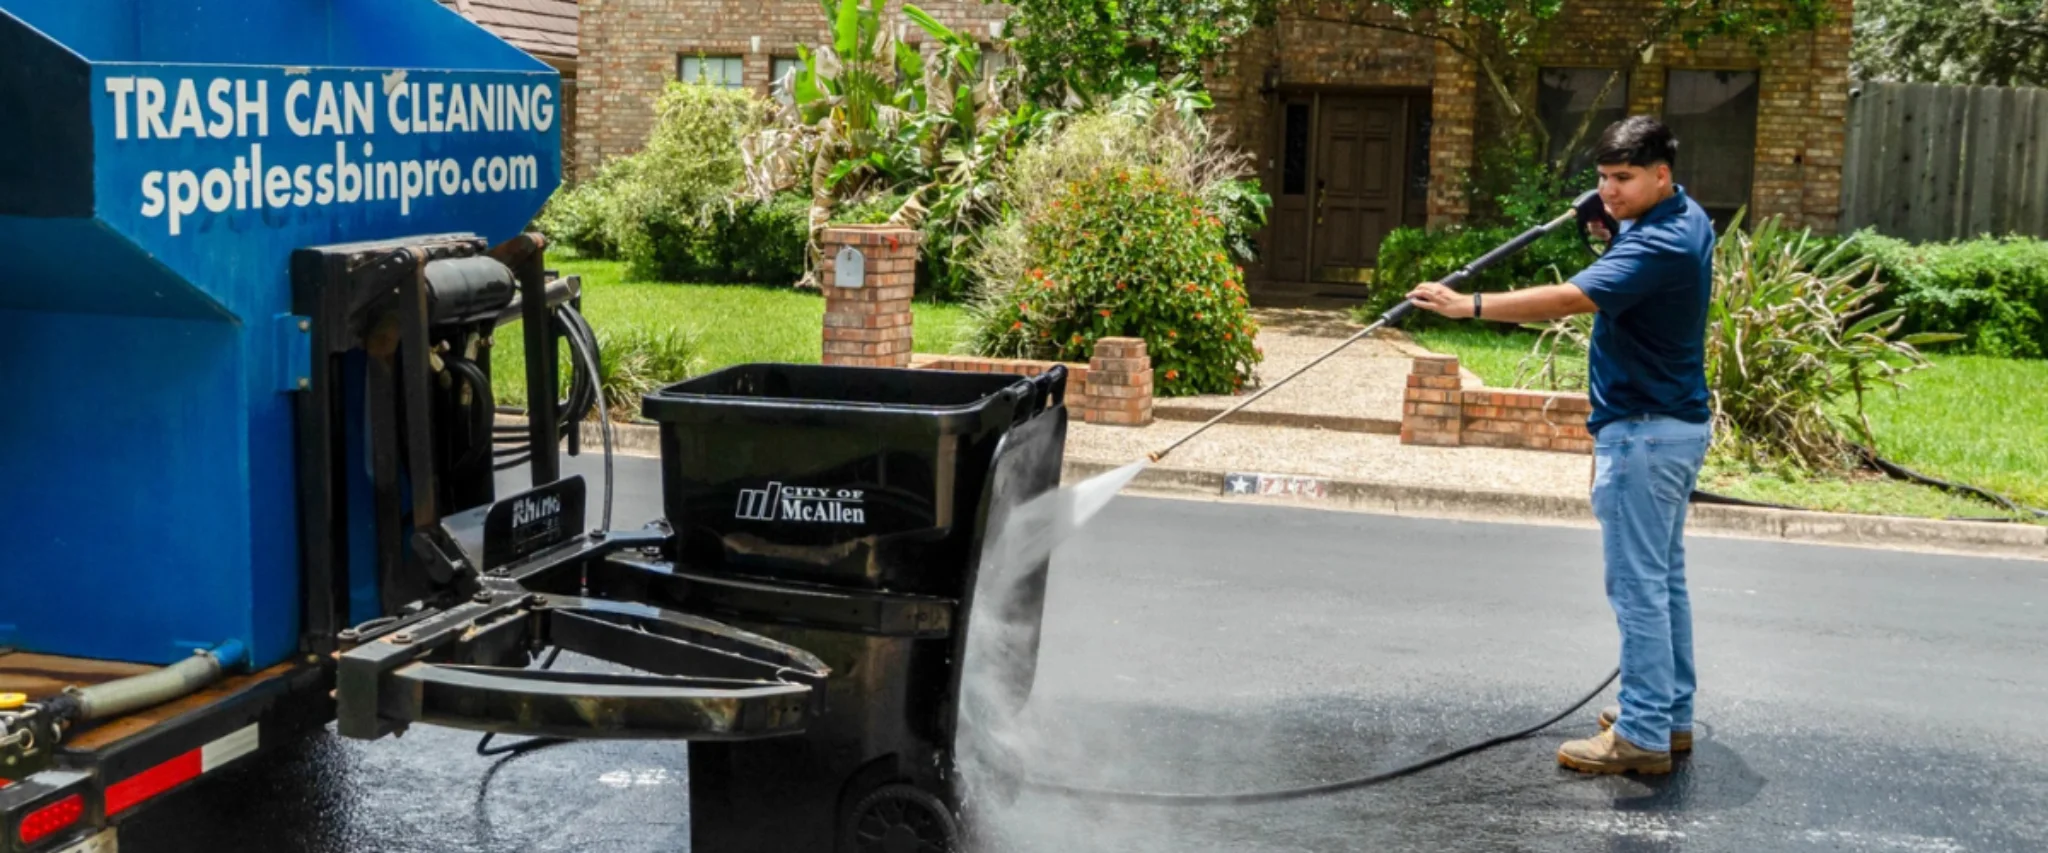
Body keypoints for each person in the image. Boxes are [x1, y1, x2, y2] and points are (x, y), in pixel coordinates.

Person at [1404, 115, 1715, 775]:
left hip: (1643, 434)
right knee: (1664, 582)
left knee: (1638, 588)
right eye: (1602, 178)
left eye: (1623, 178)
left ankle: (1642, 734)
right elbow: (1625, 250)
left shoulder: (1657, 245)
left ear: (1662, 174)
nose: (1609, 191)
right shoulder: (1687, 216)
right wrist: (1614, 224)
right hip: (1673, 427)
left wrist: (1468, 306)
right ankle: (1668, 716)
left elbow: (1571, 298)